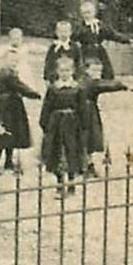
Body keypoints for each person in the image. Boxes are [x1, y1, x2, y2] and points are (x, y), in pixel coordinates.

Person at [0, 61, 40, 174]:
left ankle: (2, 161)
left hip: (1, 108)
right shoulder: (11, 76)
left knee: (2, 133)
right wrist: (35, 94)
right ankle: (2, 162)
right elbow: (22, 88)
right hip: (13, 108)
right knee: (11, 133)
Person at [39, 54, 87, 192]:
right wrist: (45, 124)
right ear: (57, 72)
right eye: (62, 70)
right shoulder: (53, 89)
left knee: (71, 151)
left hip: (72, 123)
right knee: (57, 151)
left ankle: (71, 183)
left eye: (67, 70)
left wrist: (83, 125)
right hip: (56, 124)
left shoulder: (78, 88)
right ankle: (60, 182)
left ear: (72, 71)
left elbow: (82, 107)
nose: (65, 73)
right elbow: (46, 107)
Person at [78, 56, 127, 177]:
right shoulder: (89, 82)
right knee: (87, 138)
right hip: (86, 112)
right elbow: (106, 86)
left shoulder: (86, 80)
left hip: (88, 111)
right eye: (94, 70)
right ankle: (85, 167)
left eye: (99, 71)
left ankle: (86, 165)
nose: (97, 74)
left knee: (87, 138)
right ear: (86, 70)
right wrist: (124, 85)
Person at [72, 0, 132, 78]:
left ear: (94, 13)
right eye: (84, 13)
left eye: (88, 12)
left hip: (99, 50)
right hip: (85, 50)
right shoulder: (80, 26)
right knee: (85, 69)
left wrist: (128, 40)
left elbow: (112, 35)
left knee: (107, 71)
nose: (86, 15)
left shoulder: (100, 25)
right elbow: (73, 37)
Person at [43, 19, 79, 86]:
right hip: (55, 79)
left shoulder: (75, 47)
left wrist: (77, 79)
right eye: (61, 32)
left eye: (66, 31)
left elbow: (79, 63)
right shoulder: (53, 47)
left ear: (70, 32)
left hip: (71, 79)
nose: (63, 34)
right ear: (56, 32)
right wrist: (47, 78)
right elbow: (48, 63)